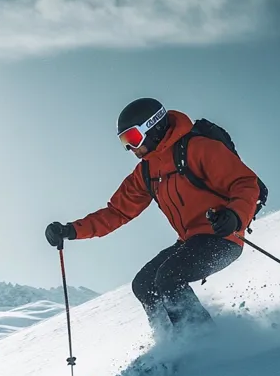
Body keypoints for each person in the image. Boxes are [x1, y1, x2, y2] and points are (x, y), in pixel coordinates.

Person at [45, 98, 261, 337]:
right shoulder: (146, 171)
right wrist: (71, 230)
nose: (130, 148)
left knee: (169, 276)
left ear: (154, 127)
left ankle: (201, 340)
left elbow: (245, 183)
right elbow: (117, 212)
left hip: (223, 236)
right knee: (144, 284)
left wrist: (234, 216)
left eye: (133, 139)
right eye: (124, 142)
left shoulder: (199, 148)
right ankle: (168, 344)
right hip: (190, 242)